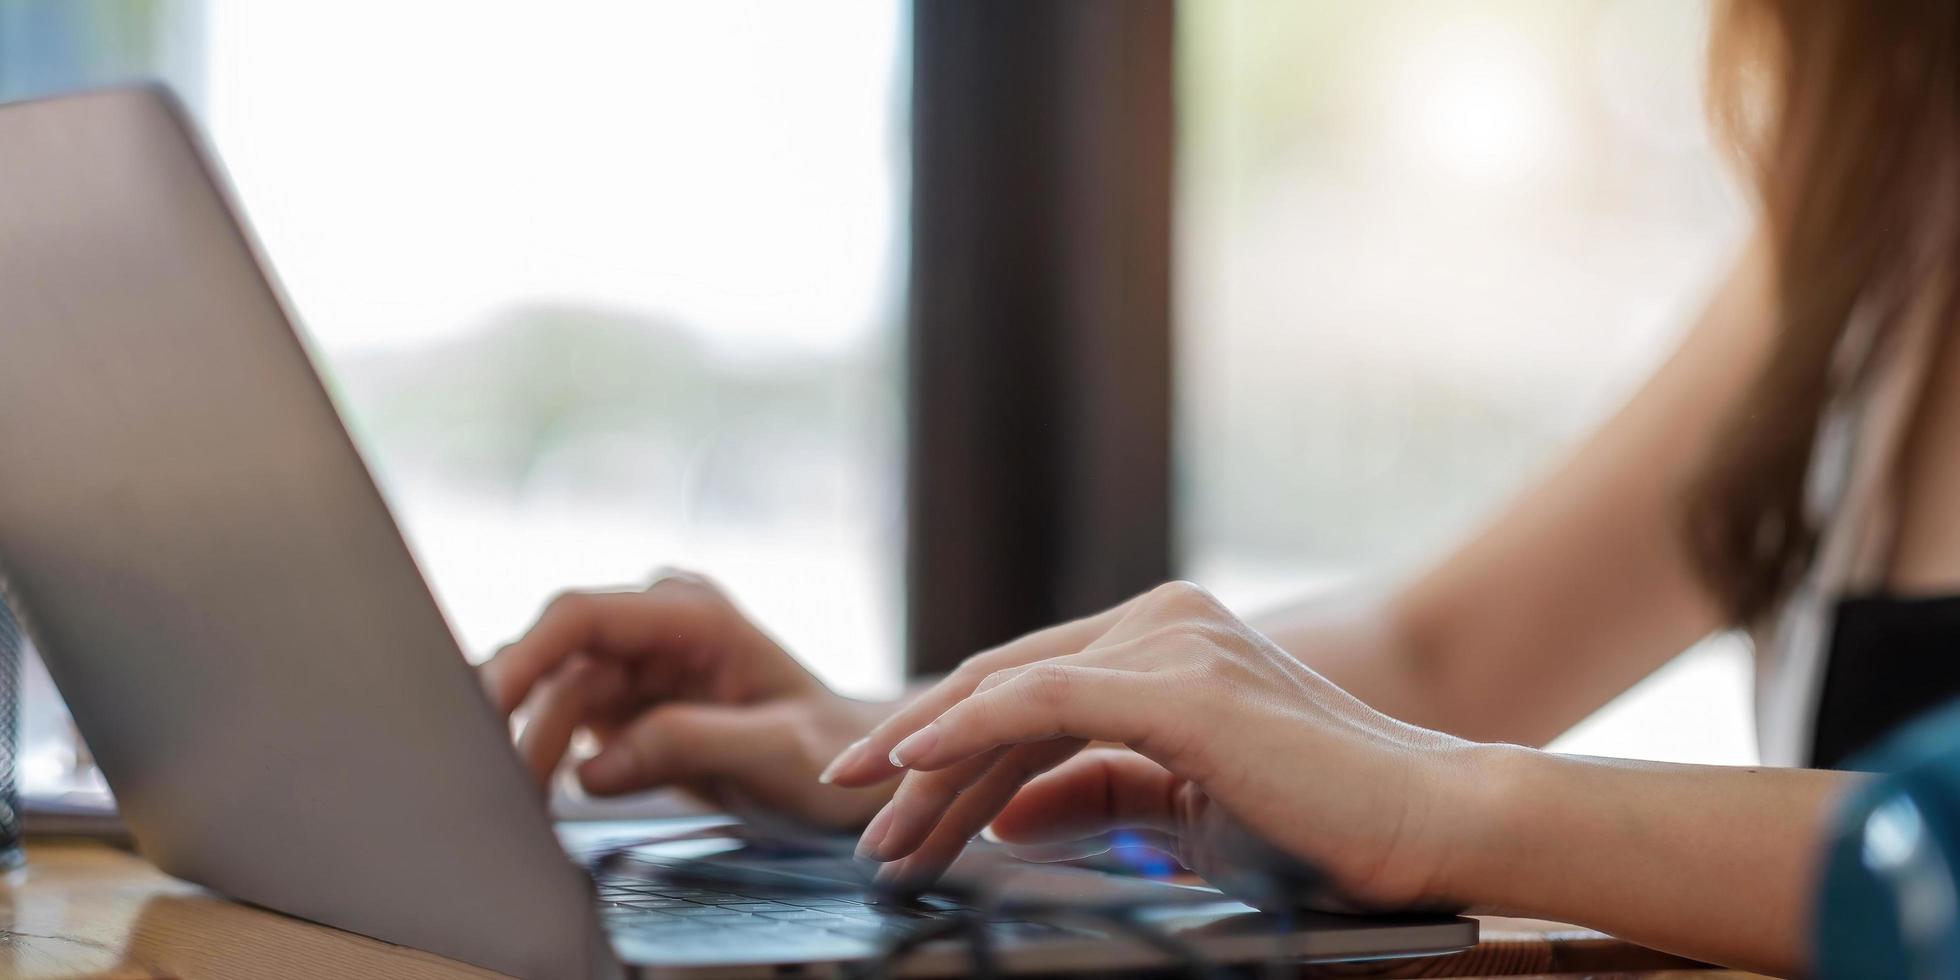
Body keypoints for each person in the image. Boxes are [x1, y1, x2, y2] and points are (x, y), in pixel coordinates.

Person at [480, 2, 1958, 975]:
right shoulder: (1887, 223)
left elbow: (1428, 754)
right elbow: (1443, 659)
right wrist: (902, 735)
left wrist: (1457, 809)